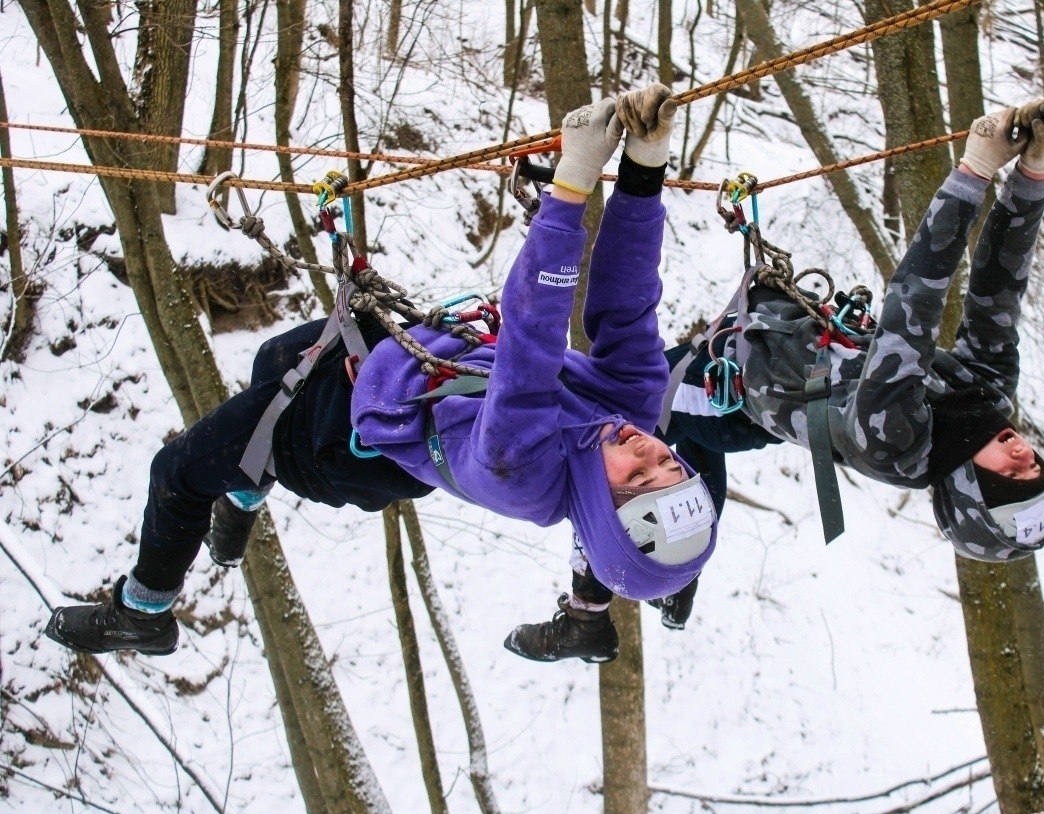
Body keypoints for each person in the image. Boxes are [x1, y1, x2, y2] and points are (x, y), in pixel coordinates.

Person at [44, 84, 718, 658]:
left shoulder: (525, 474)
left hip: (337, 442)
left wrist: (571, 189)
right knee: (274, 359)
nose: (647, 450)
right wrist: (643, 168)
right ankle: (246, 496)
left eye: (637, 479)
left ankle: (145, 613)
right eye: (670, 465)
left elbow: (536, 338)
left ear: (601, 510)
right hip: (408, 372)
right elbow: (627, 303)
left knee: (181, 472)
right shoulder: (622, 425)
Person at [506, 98, 1044, 662]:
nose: (1022, 454)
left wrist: (972, 175)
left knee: (606, 434)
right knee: (692, 447)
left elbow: (914, 303)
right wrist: (1030, 181)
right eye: (1035, 466)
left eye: (1010, 477)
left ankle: (588, 612)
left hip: (734, 387)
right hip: (771, 386)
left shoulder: (897, 442)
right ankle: (663, 585)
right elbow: (999, 290)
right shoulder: (987, 396)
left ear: (973, 489)